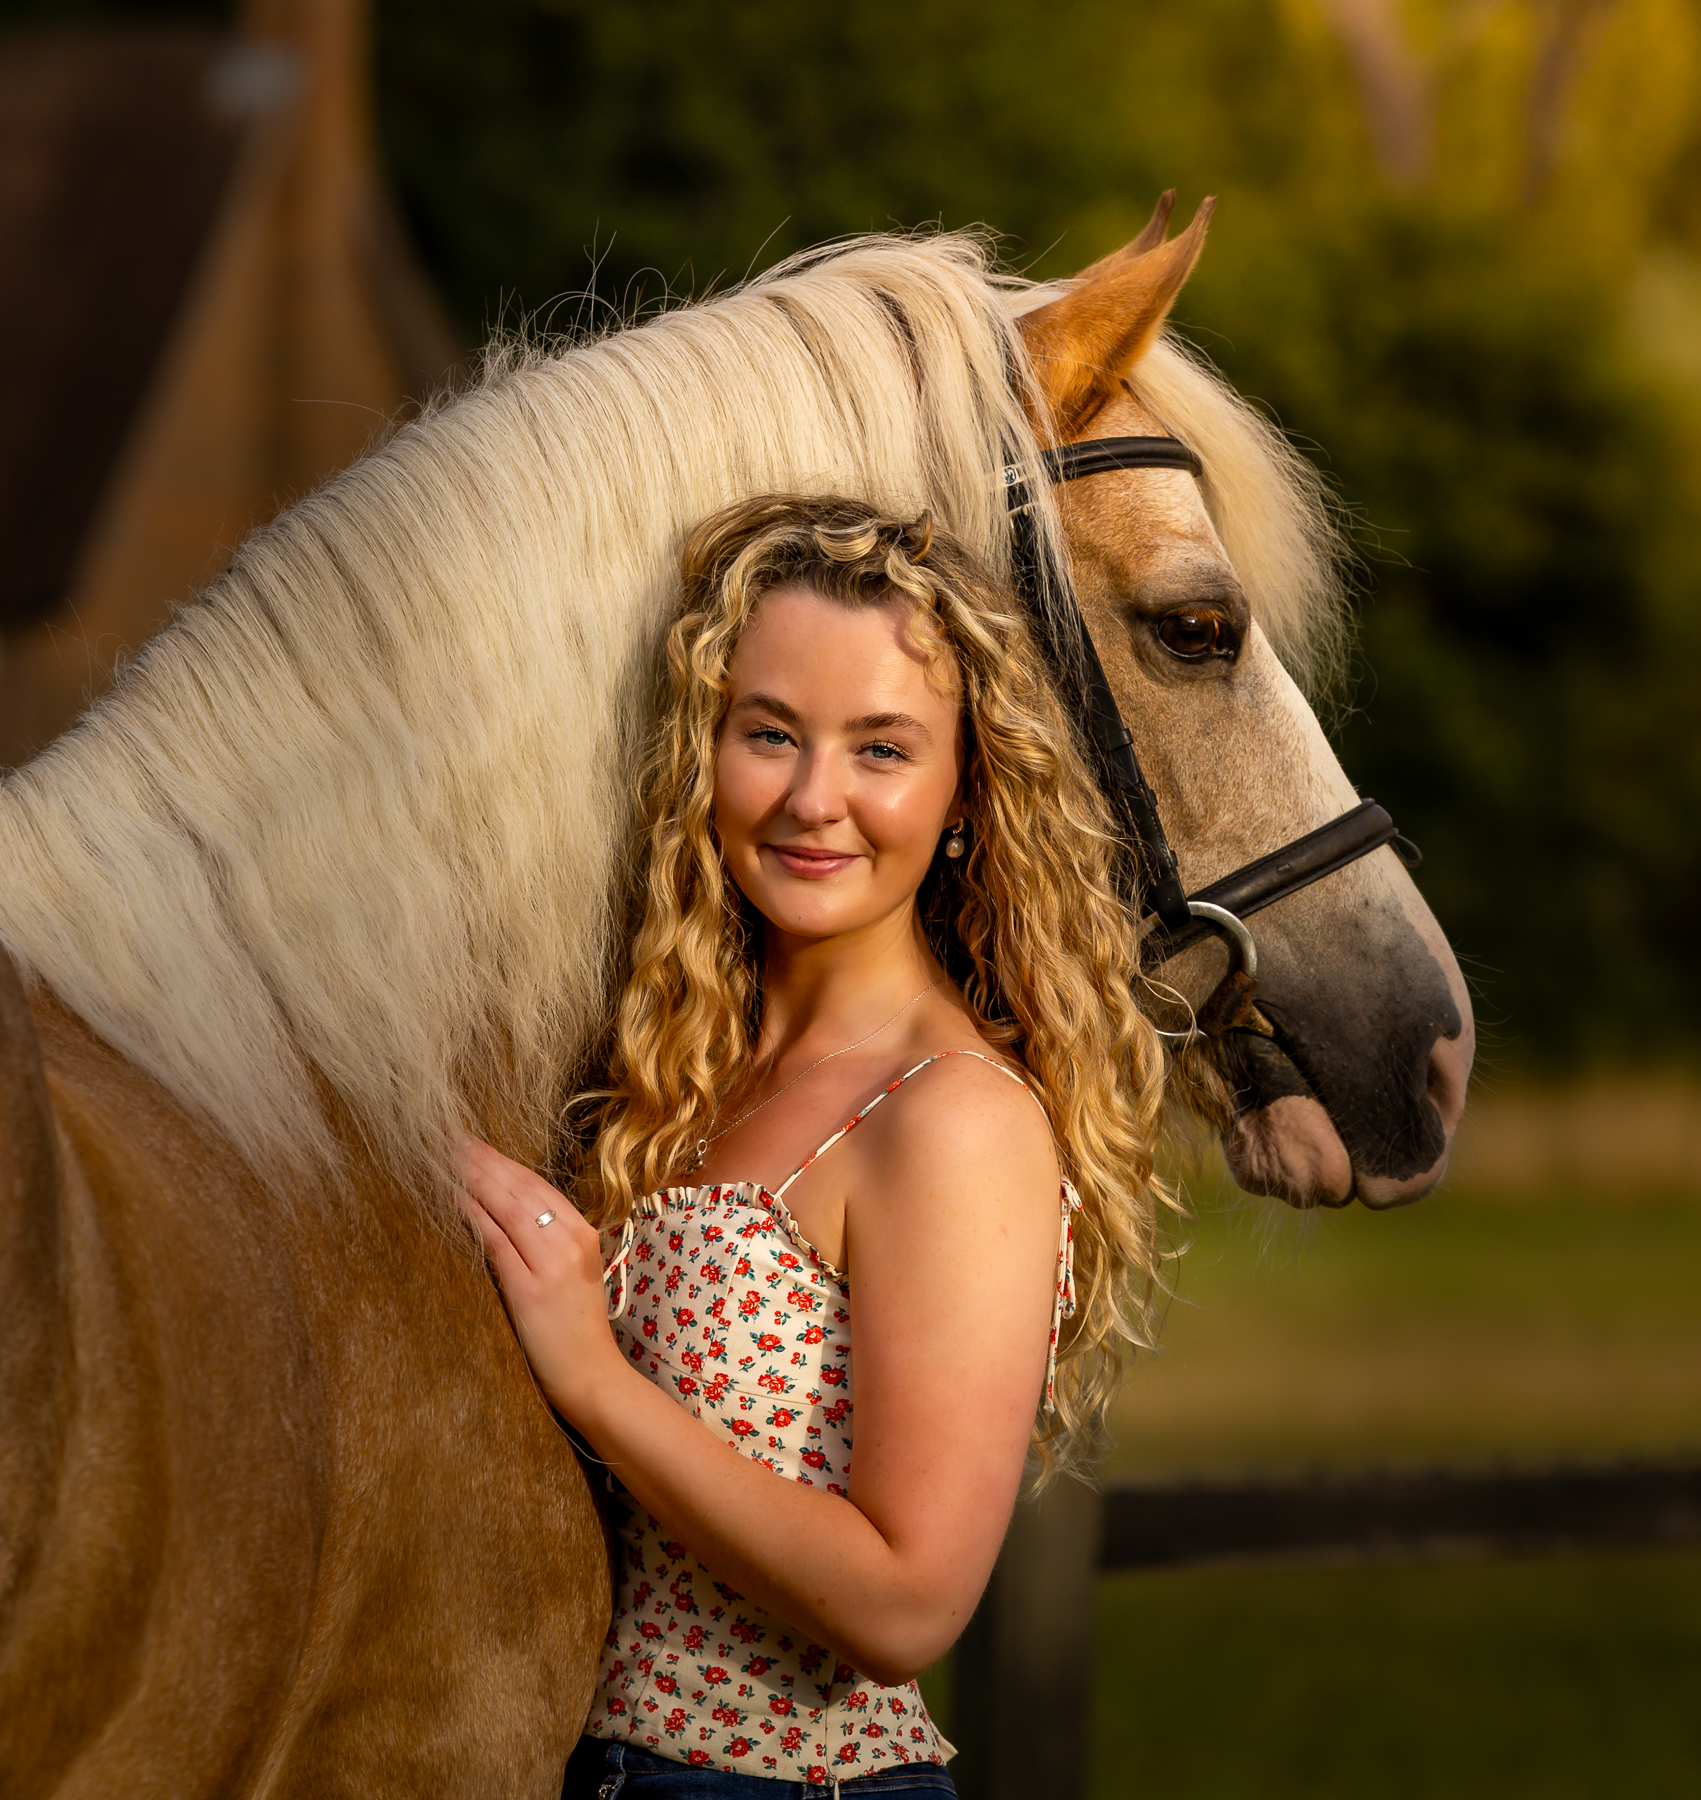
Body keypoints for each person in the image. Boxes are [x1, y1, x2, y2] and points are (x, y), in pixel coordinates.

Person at [455, 495, 1169, 1797]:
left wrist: (591, 1375)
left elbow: (905, 1603)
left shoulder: (949, 1119)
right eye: (769, 733)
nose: (812, 800)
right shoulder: (678, 1070)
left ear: (965, 794)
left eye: (881, 750)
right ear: (706, 750)